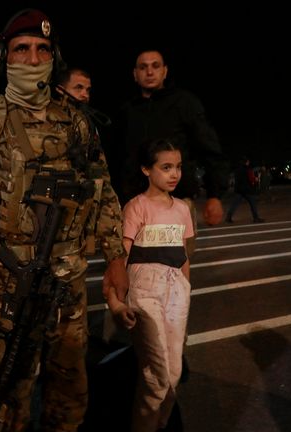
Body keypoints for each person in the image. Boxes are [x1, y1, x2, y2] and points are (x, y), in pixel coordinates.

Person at [0, 9, 128, 431]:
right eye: (22, 49)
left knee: (70, 398)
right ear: (5, 57)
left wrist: (115, 258)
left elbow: (104, 190)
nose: (33, 59)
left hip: (67, 286)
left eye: (42, 50)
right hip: (3, 289)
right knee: (10, 401)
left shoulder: (77, 121)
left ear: (53, 57)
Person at [109, 138, 193, 432]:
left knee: (174, 372)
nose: (174, 174)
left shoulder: (182, 208)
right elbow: (120, 259)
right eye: (166, 167)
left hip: (176, 291)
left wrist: (186, 288)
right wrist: (116, 303)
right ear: (147, 169)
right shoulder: (136, 207)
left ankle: (158, 425)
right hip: (145, 290)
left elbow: (183, 254)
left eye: (178, 167)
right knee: (156, 374)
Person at [114, 49, 227, 252]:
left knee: (174, 273)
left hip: (175, 203)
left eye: (155, 66)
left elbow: (209, 149)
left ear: (165, 71)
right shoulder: (127, 111)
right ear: (135, 74)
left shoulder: (185, 103)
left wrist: (214, 195)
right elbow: (116, 158)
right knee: (133, 271)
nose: (149, 72)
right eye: (143, 67)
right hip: (132, 204)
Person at [225, 156, 264, 223]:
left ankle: (228, 217)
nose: (249, 162)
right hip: (247, 189)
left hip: (239, 189)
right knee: (253, 203)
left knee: (234, 204)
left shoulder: (237, 170)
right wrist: (256, 179)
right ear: (246, 162)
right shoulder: (248, 169)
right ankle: (256, 218)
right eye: (248, 161)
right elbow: (251, 179)